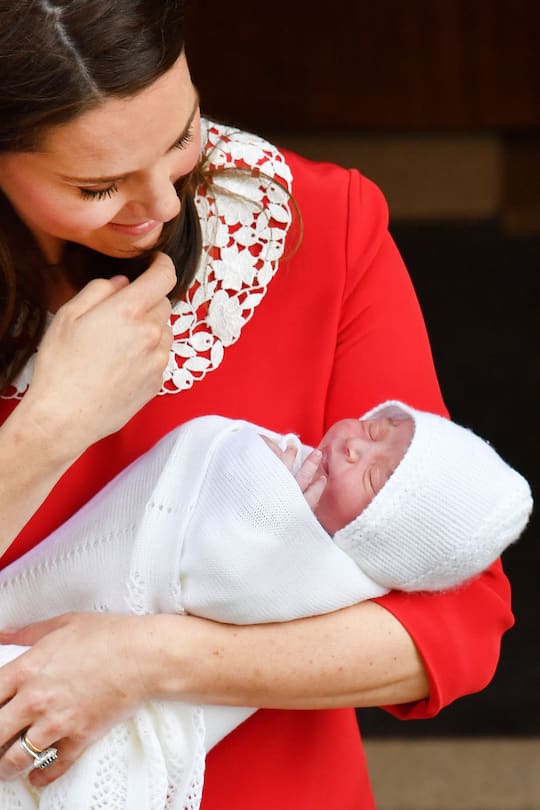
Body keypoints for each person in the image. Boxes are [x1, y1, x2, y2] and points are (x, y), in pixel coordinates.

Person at [0, 2, 516, 807]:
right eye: (98, 186)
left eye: (181, 137)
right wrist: (51, 426)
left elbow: (456, 624)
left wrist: (145, 661)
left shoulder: (318, 227)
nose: (163, 208)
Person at [0, 402, 532, 808]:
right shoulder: (301, 466)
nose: (355, 449)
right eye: (374, 431)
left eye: (373, 477)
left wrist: (264, 505)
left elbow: (226, 576)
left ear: (379, 542)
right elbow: (194, 458)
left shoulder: (333, 579)